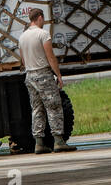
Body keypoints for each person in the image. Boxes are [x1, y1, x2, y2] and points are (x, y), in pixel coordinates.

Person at [19, 8, 75, 154]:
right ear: (39, 18)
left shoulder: (22, 37)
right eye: (43, 19)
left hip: (29, 75)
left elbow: (23, 60)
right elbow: (50, 57)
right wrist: (58, 74)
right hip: (43, 74)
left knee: (37, 109)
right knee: (54, 106)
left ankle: (39, 143)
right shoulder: (42, 34)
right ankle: (58, 141)